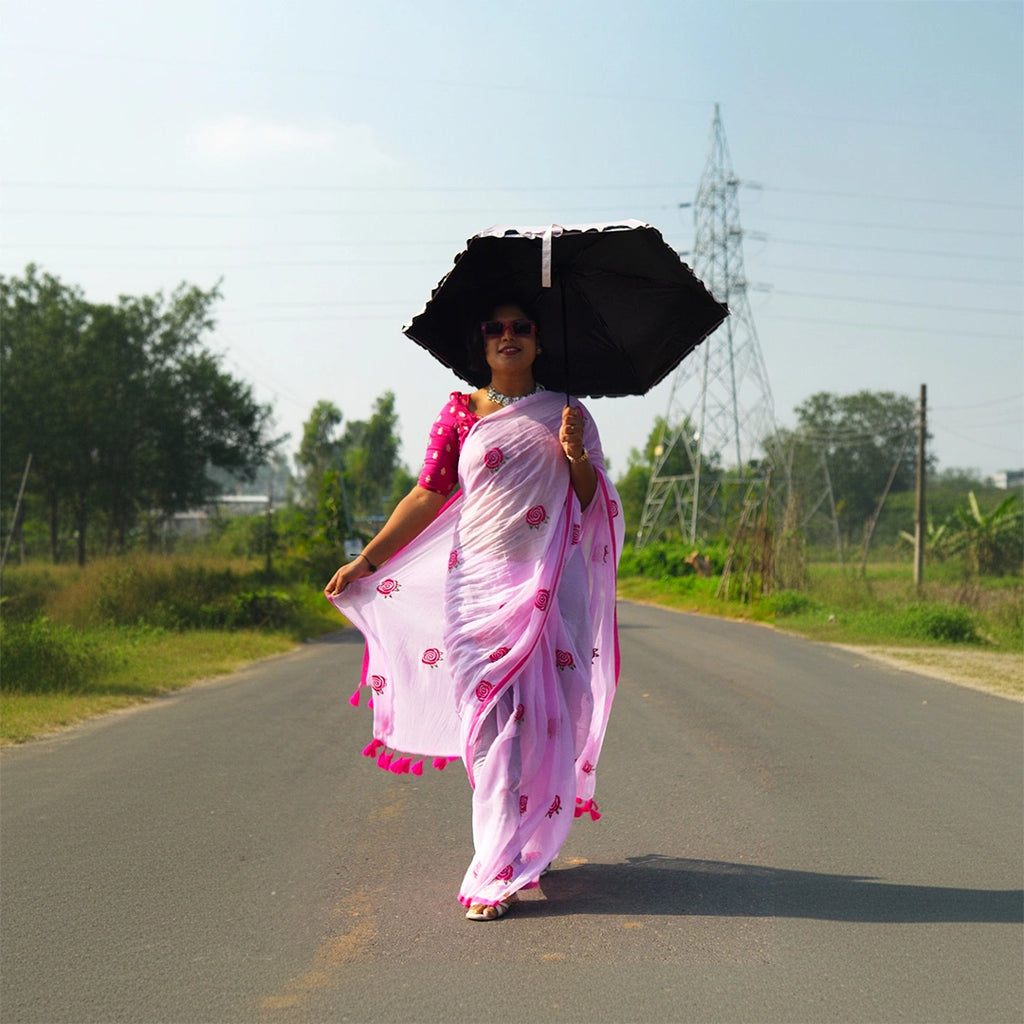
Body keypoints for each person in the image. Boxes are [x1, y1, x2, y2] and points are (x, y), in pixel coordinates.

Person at [325, 301, 624, 921]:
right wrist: (368, 561)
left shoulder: (570, 413)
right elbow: (428, 493)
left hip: (549, 590)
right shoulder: (461, 412)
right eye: (495, 329)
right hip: (475, 592)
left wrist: (574, 456)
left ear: (539, 341)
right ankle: (494, 867)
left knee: (554, 716)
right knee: (492, 732)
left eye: (521, 327)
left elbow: (592, 500)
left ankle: (524, 846)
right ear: (482, 345)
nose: (508, 337)